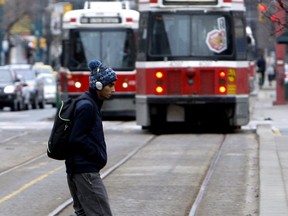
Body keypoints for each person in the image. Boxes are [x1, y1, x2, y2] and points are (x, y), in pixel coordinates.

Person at [65, 59, 117, 216]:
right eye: (110, 85)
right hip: (85, 171)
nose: (114, 90)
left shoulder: (87, 102)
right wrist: (97, 155)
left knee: (83, 214)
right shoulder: (87, 106)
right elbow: (76, 138)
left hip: (77, 169)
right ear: (98, 85)